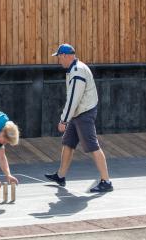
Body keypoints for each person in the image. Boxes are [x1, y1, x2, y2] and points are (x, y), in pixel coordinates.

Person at [45, 44, 113, 192]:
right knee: (68, 143)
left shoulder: (77, 72)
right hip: (79, 112)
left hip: (84, 113)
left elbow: (73, 99)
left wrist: (64, 120)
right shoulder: (74, 69)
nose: (58, 61)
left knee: (93, 146)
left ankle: (106, 181)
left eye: (59, 57)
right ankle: (61, 176)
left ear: (65, 56)